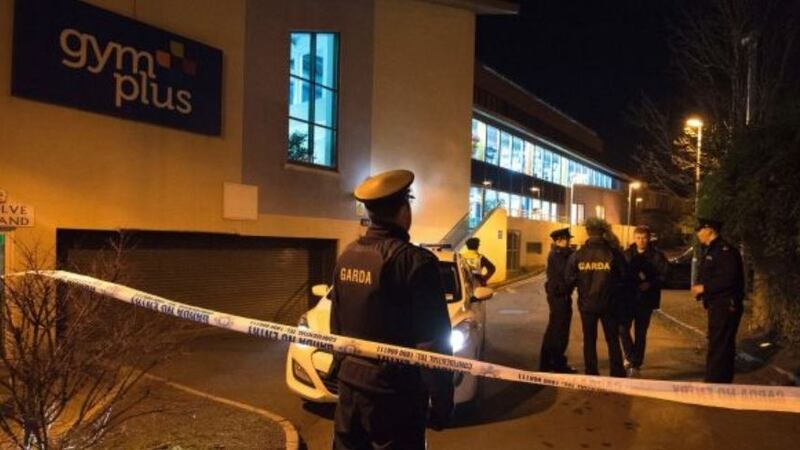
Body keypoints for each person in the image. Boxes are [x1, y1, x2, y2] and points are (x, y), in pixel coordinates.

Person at [330, 169, 454, 449]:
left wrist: (342, 372)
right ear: (403, 209)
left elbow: (335, 325)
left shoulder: (347, 255)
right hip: (395, 397)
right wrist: (443, 400)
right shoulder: (415, 263)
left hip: (350, 389)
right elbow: (433, 343)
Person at [566, 218, 627, 377]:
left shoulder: (578, 255)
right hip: (609, 305)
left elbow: (569, 279)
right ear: (603, 232)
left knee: (589, 340)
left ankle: (591, 372)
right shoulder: (613, 254)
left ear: (588, 232)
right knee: (612, 339)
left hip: (587, 305)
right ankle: (617, 372)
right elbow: (624, 277)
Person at [691, 218, 744, 383]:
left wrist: (704, 288)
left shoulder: (725, 251)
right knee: (718, 343)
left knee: (720, 345)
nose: (697, 233)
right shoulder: (711, 250)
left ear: (710, 230)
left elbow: (729, 278)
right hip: (717, 304)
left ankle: (715, 382)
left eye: (700, 229)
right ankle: (719, 381)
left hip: (726, 305)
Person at [619, 225, 669, 377]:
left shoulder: (657, 256)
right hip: (627, 299)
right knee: (622, 329)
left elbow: (665, 275)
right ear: (634, 238)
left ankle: (635, 364)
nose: (641, 241)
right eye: (638, 238)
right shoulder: (626, 254)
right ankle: (630, 356)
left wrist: (651, 283)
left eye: (644, 238)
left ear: (649, 238)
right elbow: (619, 274)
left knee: (640, 333)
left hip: (645, 301)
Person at [539, 227, 578, 373]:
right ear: (559, 240)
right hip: (559, 295)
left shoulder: (561, 254)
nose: (569, 242)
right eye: (567, 239)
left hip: (559, 295)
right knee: (559, 330)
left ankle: (547, 361)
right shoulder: (558, 255)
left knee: (554, 329)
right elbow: (567, 273)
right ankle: (557, 362)